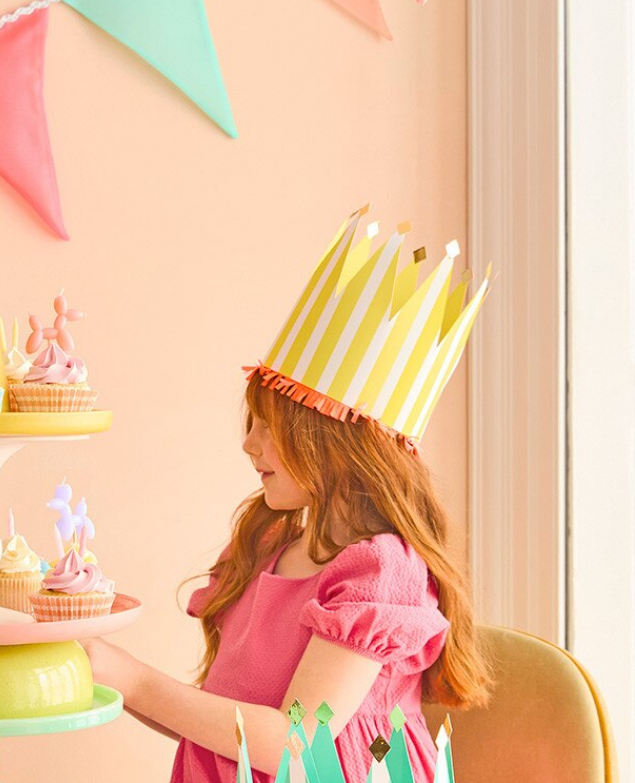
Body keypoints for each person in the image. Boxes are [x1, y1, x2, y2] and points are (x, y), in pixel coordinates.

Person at [84, 208, 493, 781]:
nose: (248, 444)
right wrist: (107, 675)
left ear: (337, 443)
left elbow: (294, 746)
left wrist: (133, 678)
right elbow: (218, 725)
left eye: (269, 427)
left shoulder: (380, 573)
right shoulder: (268, 543)